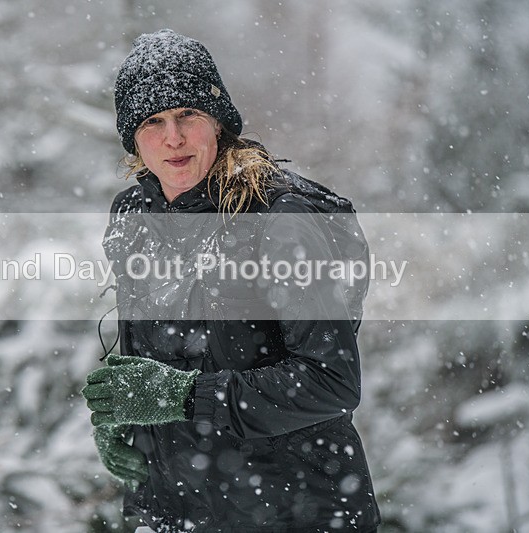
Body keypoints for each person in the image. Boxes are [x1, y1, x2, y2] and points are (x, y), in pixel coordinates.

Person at [82, 29, 381, 532]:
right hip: (173, 511)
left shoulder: (278, 219)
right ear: (133, 137)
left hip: (293, 509)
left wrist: (181, 397)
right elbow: (156, 358)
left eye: (188, 116)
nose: (172, 138)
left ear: (218, 125)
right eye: (153, 121)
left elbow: (331, 382)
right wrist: (125, 421)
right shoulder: (133, 217)